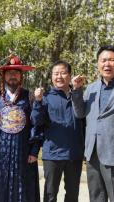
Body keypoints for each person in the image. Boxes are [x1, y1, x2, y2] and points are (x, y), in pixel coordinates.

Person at [71, 45, 114, 202]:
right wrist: (76, 90)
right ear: (98, 64)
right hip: (93, 154)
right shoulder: (91, 88)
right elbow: (80, 113)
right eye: (103, 60)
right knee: (96, 197)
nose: (107, 64)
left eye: (111, 60)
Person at [0, 56, 40, 202]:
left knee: (23, 188)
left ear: (21, 76)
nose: (12, 76)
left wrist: (34, 151)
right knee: (0, 187)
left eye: (16, 72)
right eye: (9, 73)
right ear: (3, 76)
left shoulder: (29, 97)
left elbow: (37, 125)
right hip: (0, 153)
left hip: (23, 152)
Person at [31, 60, 84, 202]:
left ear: (70, 75)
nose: (59, 76)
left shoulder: (78, 96)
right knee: (50, 194)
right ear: (51, 77)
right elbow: (36, 122)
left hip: (74, 153)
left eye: (63, 73)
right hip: (53, 154)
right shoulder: (46, 97)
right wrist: (37, 101)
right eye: (56, 73)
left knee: (73, 194)